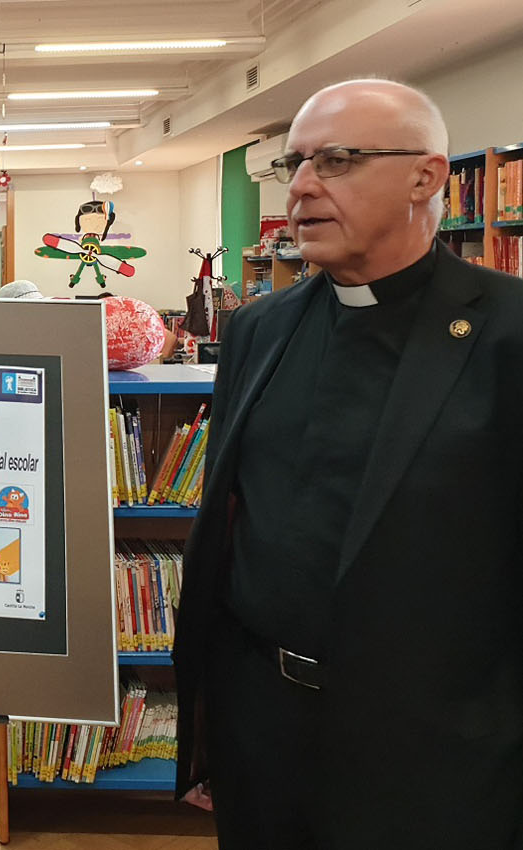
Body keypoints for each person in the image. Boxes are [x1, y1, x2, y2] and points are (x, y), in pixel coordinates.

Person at [173, 78, 523, 848]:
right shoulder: (258, 330)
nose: (299, 188)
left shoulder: (508, 334)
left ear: (424, 178)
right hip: (261, 733)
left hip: (435, 749)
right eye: (293, 165)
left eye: (334, 161)